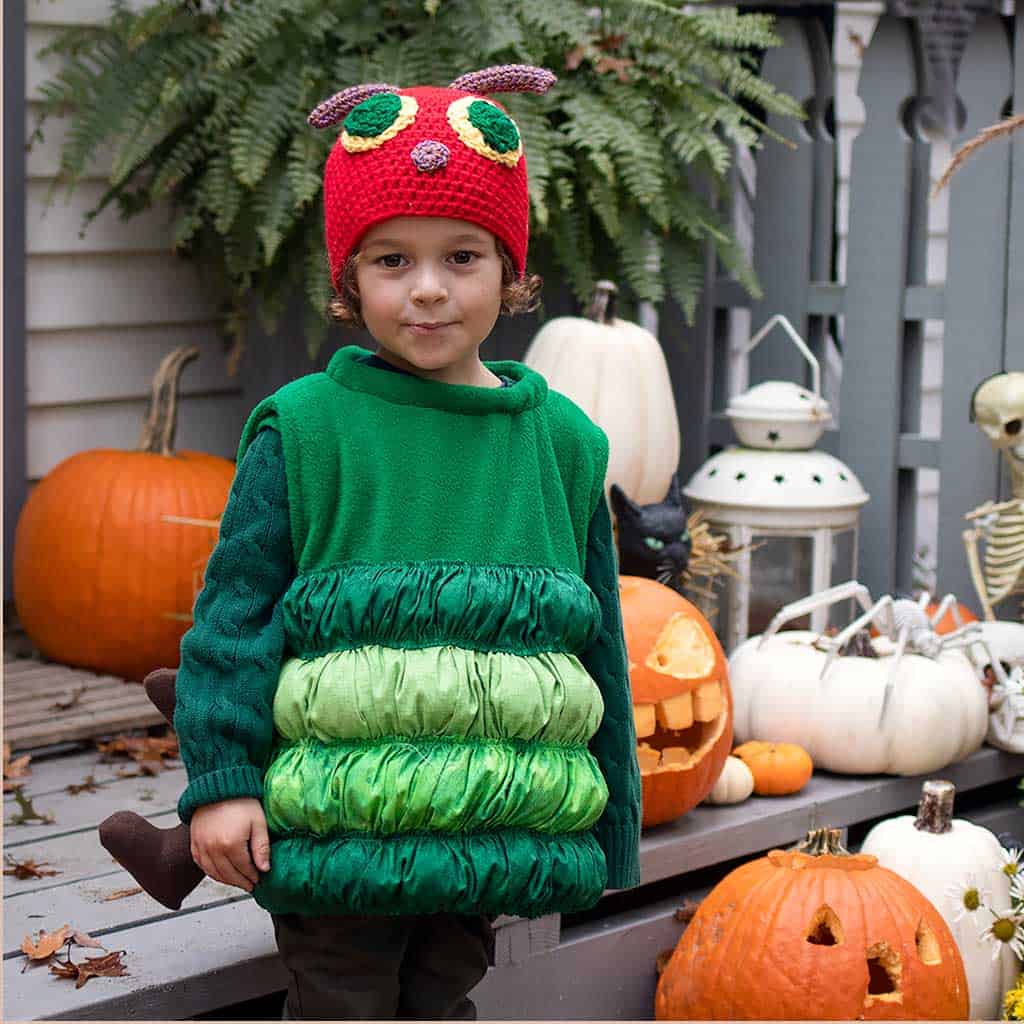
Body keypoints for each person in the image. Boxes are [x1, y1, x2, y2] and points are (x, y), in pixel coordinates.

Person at [98, 62, 641, 1021]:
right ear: (349, 279)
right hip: (335, 820)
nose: (428, 291)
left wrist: (612, 829)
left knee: (442, 998)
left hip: (485, 819)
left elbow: (595, 649)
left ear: (511, 271)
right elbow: (236, 618)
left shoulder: (561, 444)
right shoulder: (306, 429)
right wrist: (222, 784)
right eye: (392, 261)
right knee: (343, 1001)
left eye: (462, 257)